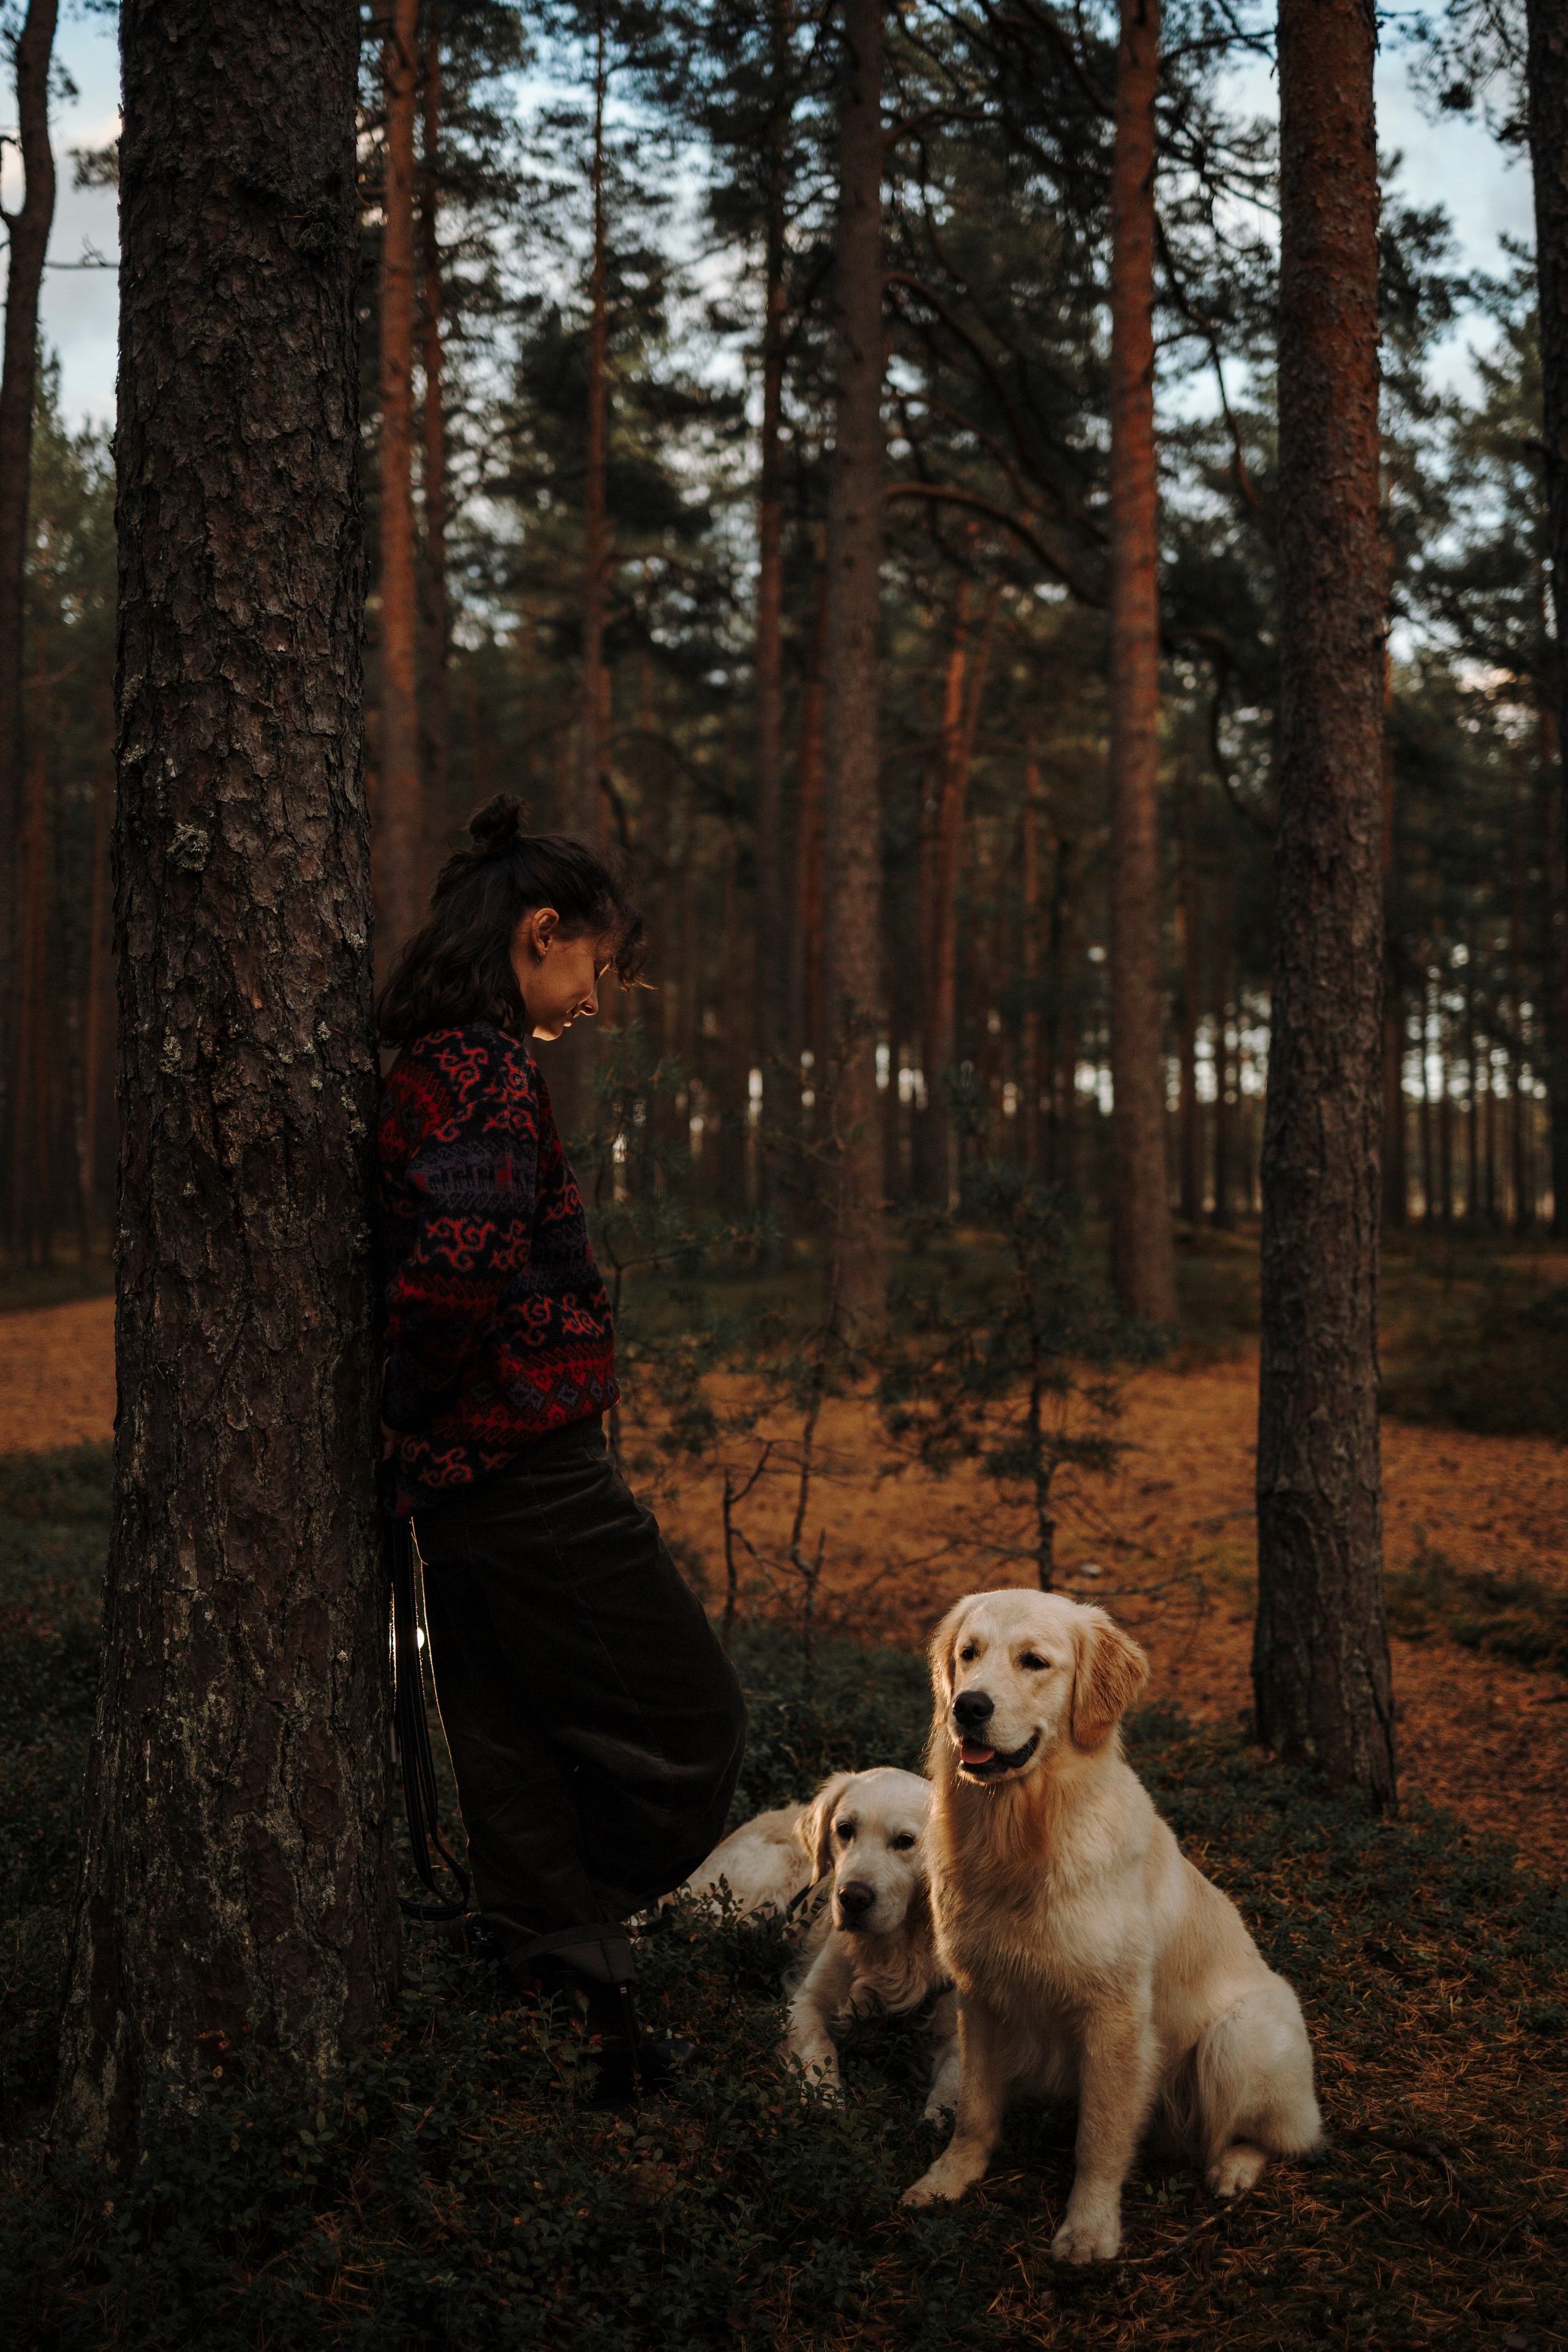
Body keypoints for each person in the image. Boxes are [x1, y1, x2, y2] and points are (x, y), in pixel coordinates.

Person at [375, 796, 747, 2099]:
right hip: (524, 1473)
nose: (598, 994)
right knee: (694, 1723)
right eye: (595, 962)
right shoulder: (477, 1066)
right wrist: (418, 1408)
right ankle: (593, 1949)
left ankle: (573, 2024)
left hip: (465, 1482)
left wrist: (413, 1436)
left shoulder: (433, 1060)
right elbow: (459, 1264)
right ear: (540, 935)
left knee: (511, 1747)